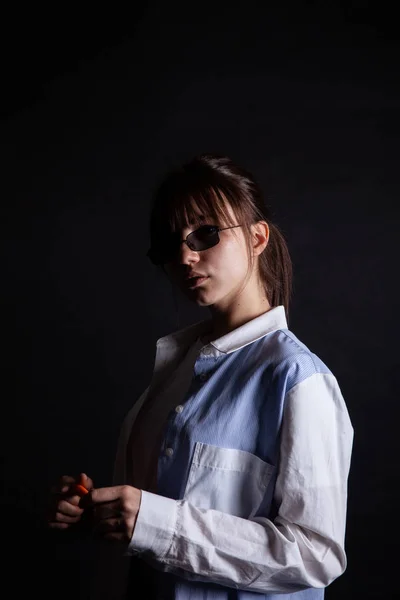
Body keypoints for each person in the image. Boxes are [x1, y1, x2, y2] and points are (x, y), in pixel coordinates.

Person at [47, 153, 354, 600]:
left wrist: (156, 523)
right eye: (170, 245)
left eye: (205, 234)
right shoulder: (175, 369)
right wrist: (98, 513)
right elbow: (154, 520)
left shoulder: (296, 378)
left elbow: (315, 556)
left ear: (257, 237)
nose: (185, 257)